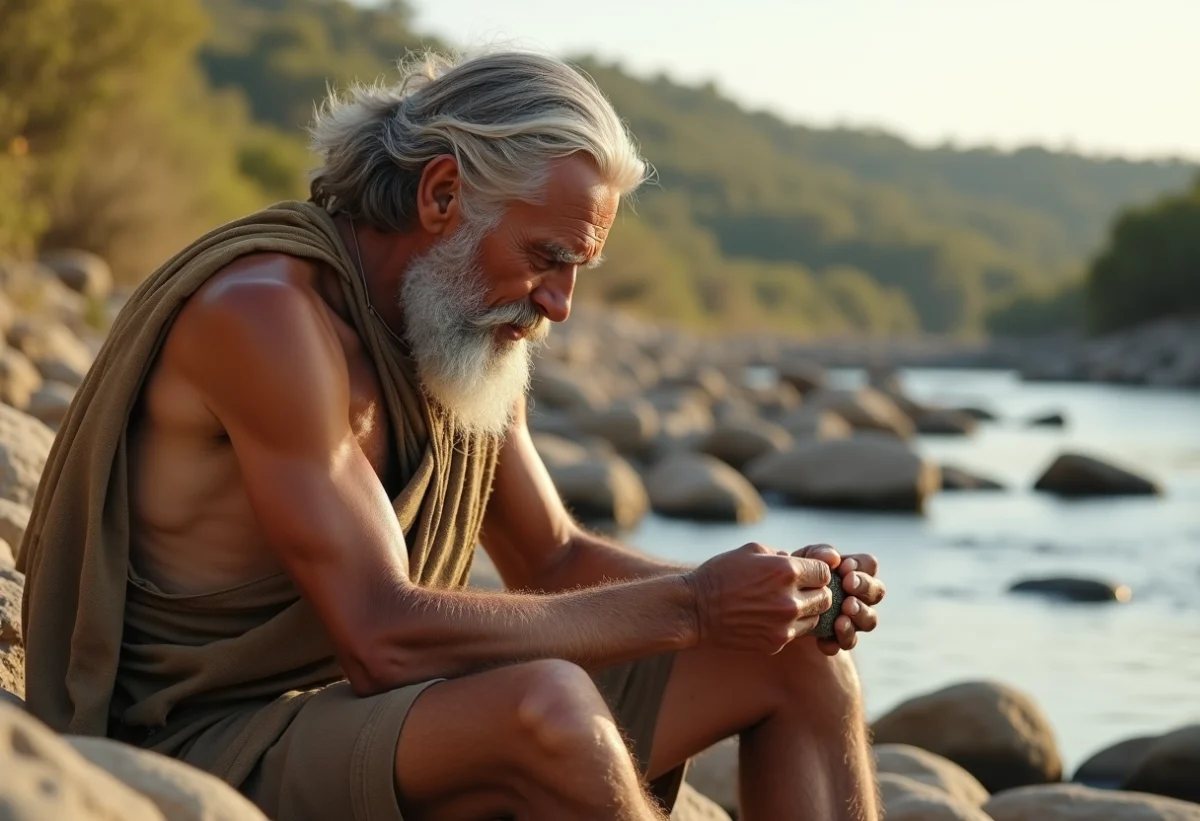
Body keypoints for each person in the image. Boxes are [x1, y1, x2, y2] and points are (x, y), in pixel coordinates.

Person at [18, 50, 886, 821]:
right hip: (211, 737)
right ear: (441, 195)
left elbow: (549, 560)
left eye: (576, 270)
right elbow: (380, 633)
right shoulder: (268, 319)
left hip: (382, 719)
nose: (560, 304)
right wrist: (695, 607)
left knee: (797, 660)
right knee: (550, 709)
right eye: (547, 257)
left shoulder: (457, 328)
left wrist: (778, 593)